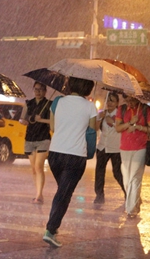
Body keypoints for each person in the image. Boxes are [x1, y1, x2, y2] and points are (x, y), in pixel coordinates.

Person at [43, 77, 98, 248]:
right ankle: (50, 230)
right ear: (87, 87)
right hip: (75, 155)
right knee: (63, 194)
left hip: (55, 153)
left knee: (62, 192)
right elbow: (92, 130)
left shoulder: (57, 101)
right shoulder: (90, 106)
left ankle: (53, 226)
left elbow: (52, 127)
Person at [115, 95, 150, 218]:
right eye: (127, 99)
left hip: (141, 147)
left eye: (132, 99)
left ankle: (131, 210)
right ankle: (135, 201)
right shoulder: (122, 109)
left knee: (135, 177)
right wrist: (129, 123)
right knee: (127, 180)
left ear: (138, 98)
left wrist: (139, 127)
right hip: (125, 148)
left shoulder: (145, 109)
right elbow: (118, 128)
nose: (130, 102)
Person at [19, 82, 51, 205]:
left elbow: (53, 121)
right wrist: (23, 121)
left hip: (43, 138)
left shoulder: (49, 104)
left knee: (38, 166)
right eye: (36, 89)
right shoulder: (29, 103)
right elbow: (22, 118)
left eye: (41, 89)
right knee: (33, 169)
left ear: (45, 91)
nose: (38, 92)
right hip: (30, 138)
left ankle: (39, 195)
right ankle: (37, 192)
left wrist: (41, 120)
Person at [93, 91, 125, 204]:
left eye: (112, 100)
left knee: (117, 172)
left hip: (115, 148)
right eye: (108, 100)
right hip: (102, 146)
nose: (109, 103)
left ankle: (127, 193)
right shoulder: (103, 113)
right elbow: (96, 128)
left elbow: (123, 128)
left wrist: (113, 122)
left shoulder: (121, 114)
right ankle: (99, 195)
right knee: (99, 172)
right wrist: (98, 118)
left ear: (117, 103)